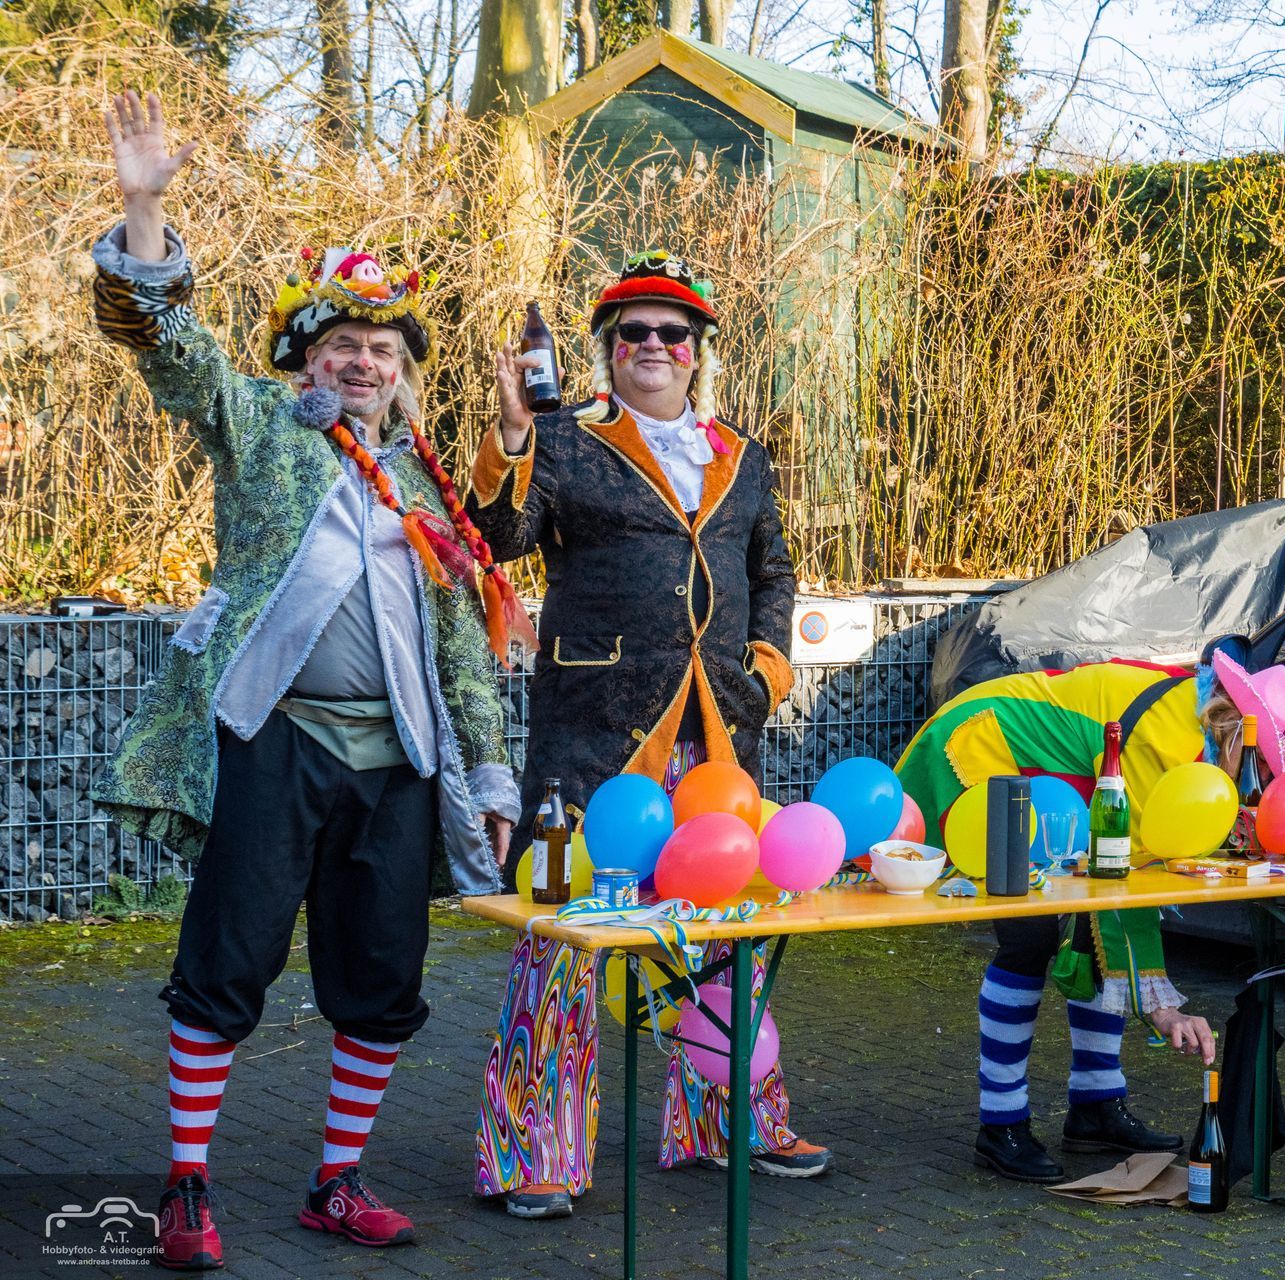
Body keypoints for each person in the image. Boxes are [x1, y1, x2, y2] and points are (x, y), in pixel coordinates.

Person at [91, 92, 524, 1271]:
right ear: (305, 354)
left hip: (396, 760)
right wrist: (143, 209)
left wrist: (488, 769)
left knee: (380, 978)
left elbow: (461, 650)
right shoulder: (262, 429)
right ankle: (186, 1185)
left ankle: (337, 1181)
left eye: (383, 350)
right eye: (343, 343)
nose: (364, 361)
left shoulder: (426, 486)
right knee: (227, 962)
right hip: (273, 739)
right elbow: (169, 351)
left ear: (401, 371)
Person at [467, 250, 820, 1220]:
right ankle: (534, 1153)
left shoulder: (741, 453)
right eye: (634, 331)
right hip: (593, 732)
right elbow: (495, 539)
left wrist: (768, 668)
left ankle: (732, 1119)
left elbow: (773, 568)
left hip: (715, 734)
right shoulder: (563, 437)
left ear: (697, 350)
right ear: (608, 348)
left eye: (674, 332)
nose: (654, 345)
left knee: (720, 927)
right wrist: (510, 434)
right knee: (561, 935)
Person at [894, 652, 1285, 1183]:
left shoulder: (1200, 729)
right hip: (978, 744)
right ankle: (1001, 1124)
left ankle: (1096, 1106)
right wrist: (1160, 1006)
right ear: (1237, 734)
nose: (1259, 784)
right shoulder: (1162, 740)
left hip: (1050, 775)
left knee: (1088, 929)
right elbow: (1124, 881)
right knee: (1029, 935)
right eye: (1264, 768)